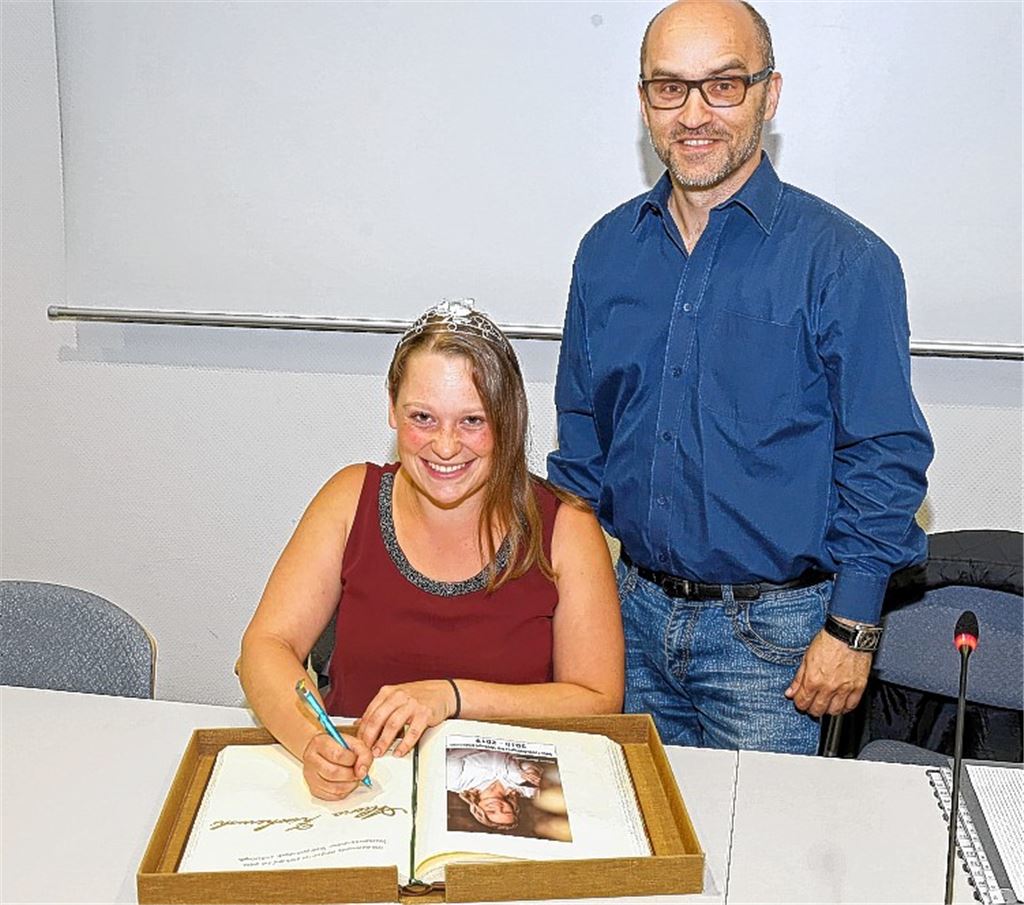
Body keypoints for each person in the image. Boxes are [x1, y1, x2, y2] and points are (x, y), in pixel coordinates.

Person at [546, 0, 933, 754]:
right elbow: (581, 447)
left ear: (769, 94)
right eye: (669, 87)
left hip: (777, 646)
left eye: (723, 85)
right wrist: (557, 603)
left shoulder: (846, 262)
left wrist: (851, 628)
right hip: (627, 618)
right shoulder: (604, 252)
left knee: (757, 861)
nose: (694, 114)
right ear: (644, 101)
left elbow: (884, 457)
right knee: (633, 849)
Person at [238, 299, 624, 799]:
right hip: (364, 790)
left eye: (472, 421)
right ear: (392, 409)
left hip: (501, 796)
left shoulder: (566, 527)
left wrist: (451, 697)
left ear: (507, 419)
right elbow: (265, 647)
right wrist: (315, 744)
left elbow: (598, 700)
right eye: (423, 417)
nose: (445, 446)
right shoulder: (349, 499)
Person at [446, 748, 543, 829]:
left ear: (478, 811)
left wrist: (484, 746)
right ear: (513, 808)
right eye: (506, 811)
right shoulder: (525, 790)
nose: (498, 807)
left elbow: (450, 756)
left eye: (491, 812)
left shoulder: (455, 782)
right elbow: (527, 762)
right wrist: (532, 770)